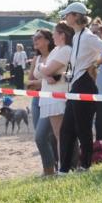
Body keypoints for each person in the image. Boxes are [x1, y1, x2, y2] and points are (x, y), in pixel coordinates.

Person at [56, 3, 102, 174]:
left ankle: (85, 166)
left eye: (68, 15)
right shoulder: (76, 37)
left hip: (85, 84)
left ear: (76, 16)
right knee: (67, 129)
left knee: (82, 128)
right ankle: (64, 169)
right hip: (76, 84)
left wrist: (96, 64)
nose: (65, 17)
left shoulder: (88, 36)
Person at [27, 27, 69, 176]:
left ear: (47, 40)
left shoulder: (56, 54)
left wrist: (43, 76)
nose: (35, 40)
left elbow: (59, 77)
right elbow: (29, 82)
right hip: (39, 99)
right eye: (34, 38)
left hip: (55, 97)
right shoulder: (36, 59)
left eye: (38, 37)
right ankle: (49, 170)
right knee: (41, 137)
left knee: (55, 135)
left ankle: (66, 166)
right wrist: (46, 77)